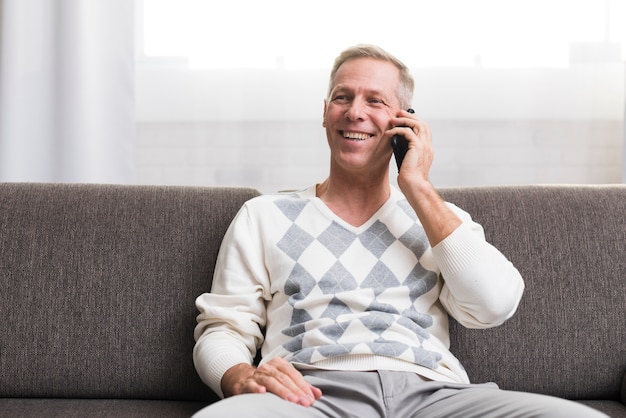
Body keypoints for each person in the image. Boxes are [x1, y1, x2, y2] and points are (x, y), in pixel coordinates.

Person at [191, 44, 607, 418]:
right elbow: (223, 328)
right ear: (324, 112)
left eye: (375, 100)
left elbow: (494, 304)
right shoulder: (264, 215)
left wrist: (419, 187)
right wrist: (238, 377)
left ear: (403, 121)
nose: (355, 111)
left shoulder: (439, 219)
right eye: (342, 97)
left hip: (432, 394)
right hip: (311, 395)